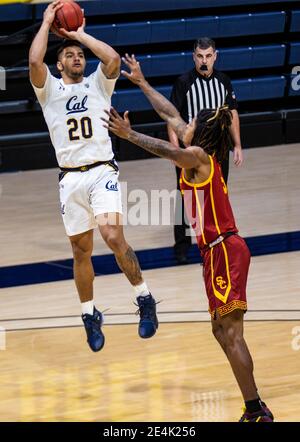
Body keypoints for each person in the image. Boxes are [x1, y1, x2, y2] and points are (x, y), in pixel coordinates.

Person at [102, 54, 274, 422]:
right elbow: (170, 115)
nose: (186, 122)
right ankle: (252, 405)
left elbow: (168, 147)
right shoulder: (199, 153)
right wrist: (143, 83)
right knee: (220, 331)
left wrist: (128, 134)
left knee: (231, 334)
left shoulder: (198, 155)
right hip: (215, 253)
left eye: (193, 121)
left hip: (225, 249)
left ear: (203, 133)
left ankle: (256, 408)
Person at [28, 1, 158, 352]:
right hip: (70, 180)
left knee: (113, 235)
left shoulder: (99, 85)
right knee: (80, 250)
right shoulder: (49, 90)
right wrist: (46, 22)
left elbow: (113, 60)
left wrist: (80, 34)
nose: (76, 58)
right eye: (69, 54)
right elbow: (34, 62)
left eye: (79, 54)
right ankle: (89, 314)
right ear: (59, 64)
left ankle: (144, 299)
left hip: (102, 171)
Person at [169, 38, 243, 264]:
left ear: (215, 56)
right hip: (191, 150)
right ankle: (182, 245)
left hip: (218, 150)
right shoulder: (184, 82)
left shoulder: (223, 81)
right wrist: (174, 150)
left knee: (217, 197)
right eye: (200, 56)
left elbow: (231, 114)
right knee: (186, 198)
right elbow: (172, 118)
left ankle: (216, 241)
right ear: (194, 57)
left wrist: (237, 145)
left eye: (208, 56)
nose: (204, 61)